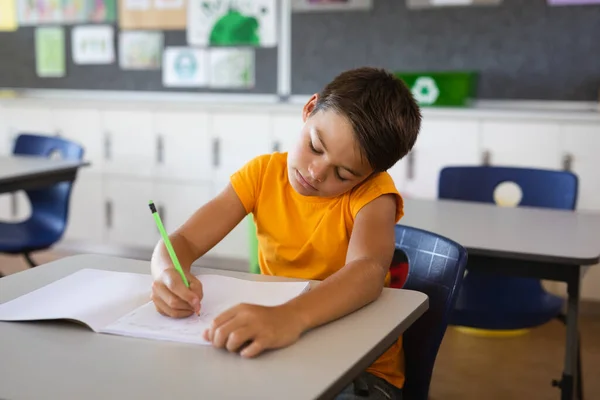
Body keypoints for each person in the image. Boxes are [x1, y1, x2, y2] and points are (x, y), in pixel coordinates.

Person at [149, 66, 421, 399]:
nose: (316, 173)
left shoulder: (373, 196)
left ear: (369, 175)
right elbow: (185, 240)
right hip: (282, 348)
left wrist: (290, 317)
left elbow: (367, 270)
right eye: (316, 147)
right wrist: (166, 273)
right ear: (309, 110)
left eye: (344, 173)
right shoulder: (262, 175)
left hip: (361, 370)